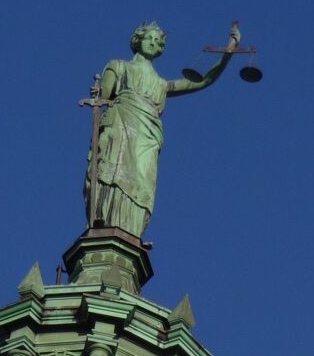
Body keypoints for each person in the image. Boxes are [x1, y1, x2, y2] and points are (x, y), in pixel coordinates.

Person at [87, 21, 240, 239]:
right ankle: (105, 218)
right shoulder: (119, 67)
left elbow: (204, 80)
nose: (154, 43)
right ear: (137, 40)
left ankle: (131, 230)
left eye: (158, 41)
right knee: (114, 170)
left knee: (142, 180)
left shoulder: (161, 84)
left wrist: (229, 52)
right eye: (149, 37)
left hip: (148, 135)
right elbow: (103, 98)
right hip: (121, 126)